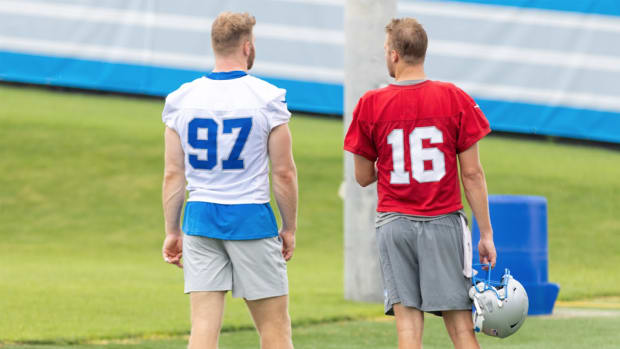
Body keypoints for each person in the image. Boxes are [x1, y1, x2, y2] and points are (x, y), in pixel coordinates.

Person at [344, 18, 497, 349]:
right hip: (443, 223)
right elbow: (472, 174)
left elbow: (362, 176)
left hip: (395, 225)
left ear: (395, 55)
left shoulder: (370, 105)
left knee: (408, 330)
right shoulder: (455, 98)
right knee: (460, 327)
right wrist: (485, 233)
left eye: (386, 50)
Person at [160, 12, 297, 349]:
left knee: (203, 328)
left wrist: (172, 230)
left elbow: (173, 174)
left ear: (214, 45)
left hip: (200, 218)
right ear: (247, 46)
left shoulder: (181, 99)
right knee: (274, 328)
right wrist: (290, 226)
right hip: (250, 218)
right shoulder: (266, 97)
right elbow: (283, 172)